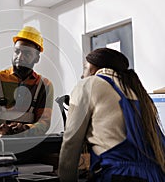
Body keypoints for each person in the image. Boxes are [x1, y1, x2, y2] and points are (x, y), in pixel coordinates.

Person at [58, 48, 165, 182]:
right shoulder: (138, 92)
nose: (82, 75)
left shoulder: (89, 84)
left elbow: (71, 142)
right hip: (156, 175)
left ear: (92, 68)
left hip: (119, 176)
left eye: (84, 68)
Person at [0, 26, 54, 137]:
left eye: (27, 53)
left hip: (28, 147)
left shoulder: (44, 85)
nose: (20, 57)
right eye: (17, 51)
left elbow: (44, 122)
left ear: (37, 58)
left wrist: (26, 129)